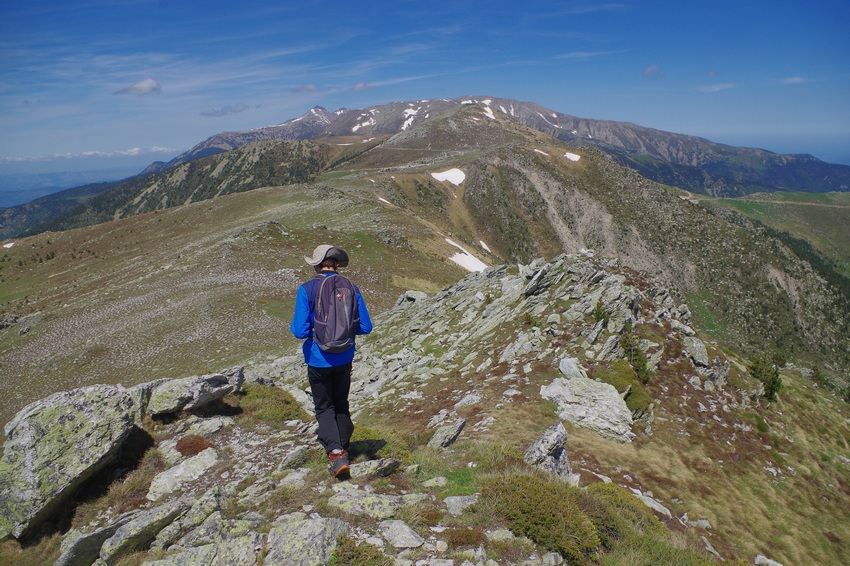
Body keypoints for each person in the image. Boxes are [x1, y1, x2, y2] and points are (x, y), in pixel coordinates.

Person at [290, 244, 373, 477]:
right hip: (345, 356)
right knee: (341, 403)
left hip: (318, 359)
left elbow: (299, 330)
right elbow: (366, 327)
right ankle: (344, 445)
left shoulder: (307, 289)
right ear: (337, 263)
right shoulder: (352, 288)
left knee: (324, 406)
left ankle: (336, 453)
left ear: (317, 264)